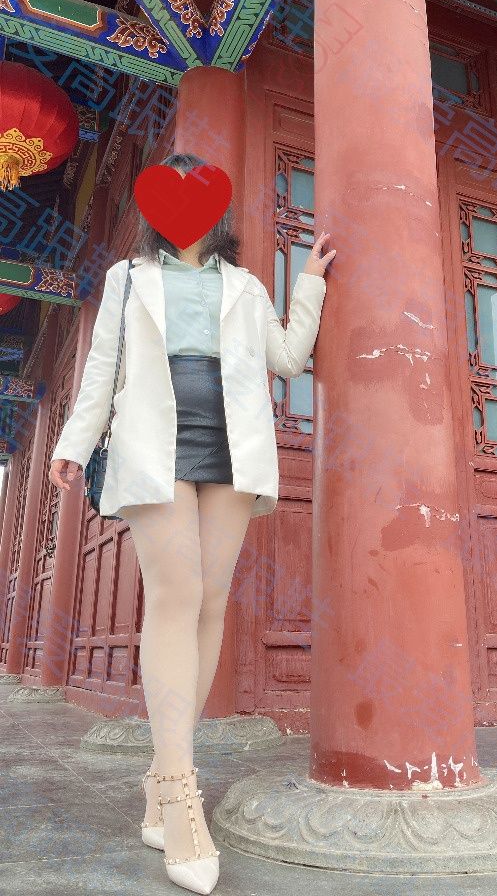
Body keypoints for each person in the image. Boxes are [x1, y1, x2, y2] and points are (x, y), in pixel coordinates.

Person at [49, 152, 335, 894]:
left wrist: (308, 283)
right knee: (176, 597)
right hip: (154, 437)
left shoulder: (243, 285)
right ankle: (179, 794)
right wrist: (73, 443)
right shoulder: (127, 278)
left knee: (209, 600)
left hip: (232, 440)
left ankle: (160, 777)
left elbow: (286, 358)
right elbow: (102, 367)